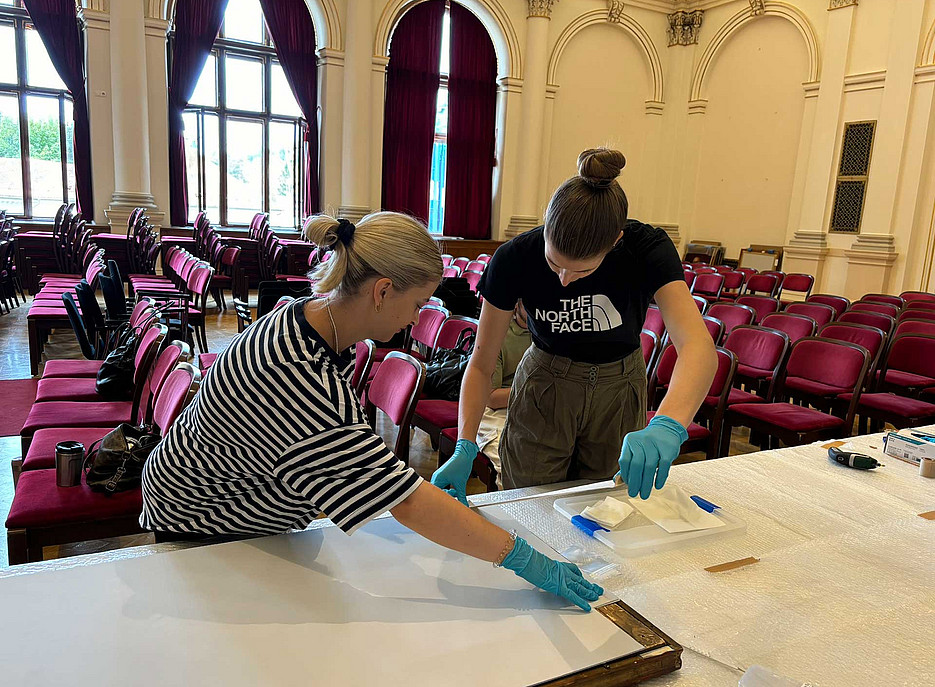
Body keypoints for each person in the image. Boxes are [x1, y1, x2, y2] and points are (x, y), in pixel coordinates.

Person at [140, 211, 603, 611]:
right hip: (205, 527)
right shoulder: (299, 378)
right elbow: (405, 502)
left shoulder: (304, 317)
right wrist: (525, 559)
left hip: (226, 504)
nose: (415, 321)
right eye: (418, 304)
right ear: (382, 291)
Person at [432, 148, 717, 501]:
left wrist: (669, 423)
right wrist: (465, 442)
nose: (565, 280)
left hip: (618, 387)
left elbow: (697, 346)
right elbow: (481, 362)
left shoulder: (646, 248)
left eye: (582, 270)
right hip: (545, 384)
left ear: (615, 241)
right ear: (545, 225)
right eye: (554, 264)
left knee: (605, 506)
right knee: (529, 503)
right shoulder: (515, 257)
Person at [475, 300, 531, 488]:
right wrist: (531, 392)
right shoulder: (498, 336)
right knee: (508, 462)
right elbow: (491, 398)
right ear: (517, 304)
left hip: (531, 405)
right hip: (493, 411)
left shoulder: (547, 334)